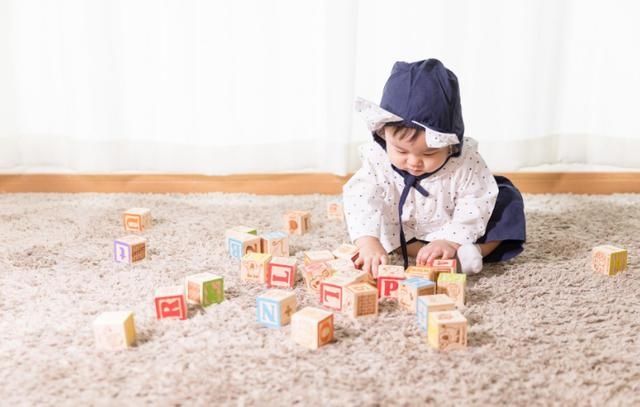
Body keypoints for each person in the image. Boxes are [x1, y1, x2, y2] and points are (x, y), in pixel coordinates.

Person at [343, 59, 525, 276]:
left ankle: (472, 252)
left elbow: (477, 200)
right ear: (383, 134)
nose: (413, 162)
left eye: (429, 153)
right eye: (401, 151)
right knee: (377, 223)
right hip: (406, 227)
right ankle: (424, 254)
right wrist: (367, 242)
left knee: (505, 202)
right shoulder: (377, 160)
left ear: (450, 145)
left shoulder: (465, 161)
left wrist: (449, 240)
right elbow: (361, 198)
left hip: (456, 221)